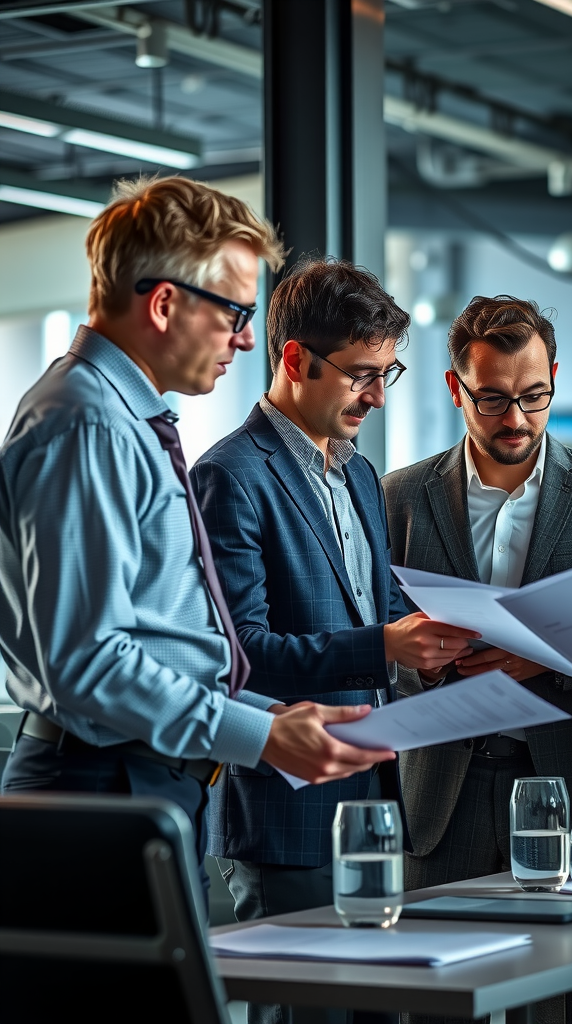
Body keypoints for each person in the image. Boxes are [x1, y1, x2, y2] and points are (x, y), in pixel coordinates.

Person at [0, 178, 392, 885]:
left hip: (133, 780)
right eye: (236, 312)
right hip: (98, 785)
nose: (246, 339)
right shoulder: (89, 423)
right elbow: (88, 663)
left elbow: (156, 641)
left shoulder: (122, 418)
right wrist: (263, 732)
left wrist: (273, 717)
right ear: (164, 303)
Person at [191, 256, 479, 1024]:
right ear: (294, 360)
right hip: (290, 813)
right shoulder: (230, 477)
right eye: (361, 375)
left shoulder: (357, 474)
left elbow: (378, 604)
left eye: (389, 372)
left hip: (376, 804)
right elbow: (241, 652)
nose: (379, 395)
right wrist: (385, 645)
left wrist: (447, 641)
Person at [382, 294, 572, 1024]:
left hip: (564, 783)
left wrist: (544, 658)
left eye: (535, 397)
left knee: (559, 1010)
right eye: (493, 399)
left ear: (555, 378)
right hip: (442, 795)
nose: (517, 420)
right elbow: (378, 638)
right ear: (454, 388)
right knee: (436, 1005)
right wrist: (427, 661)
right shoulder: (398, 496)